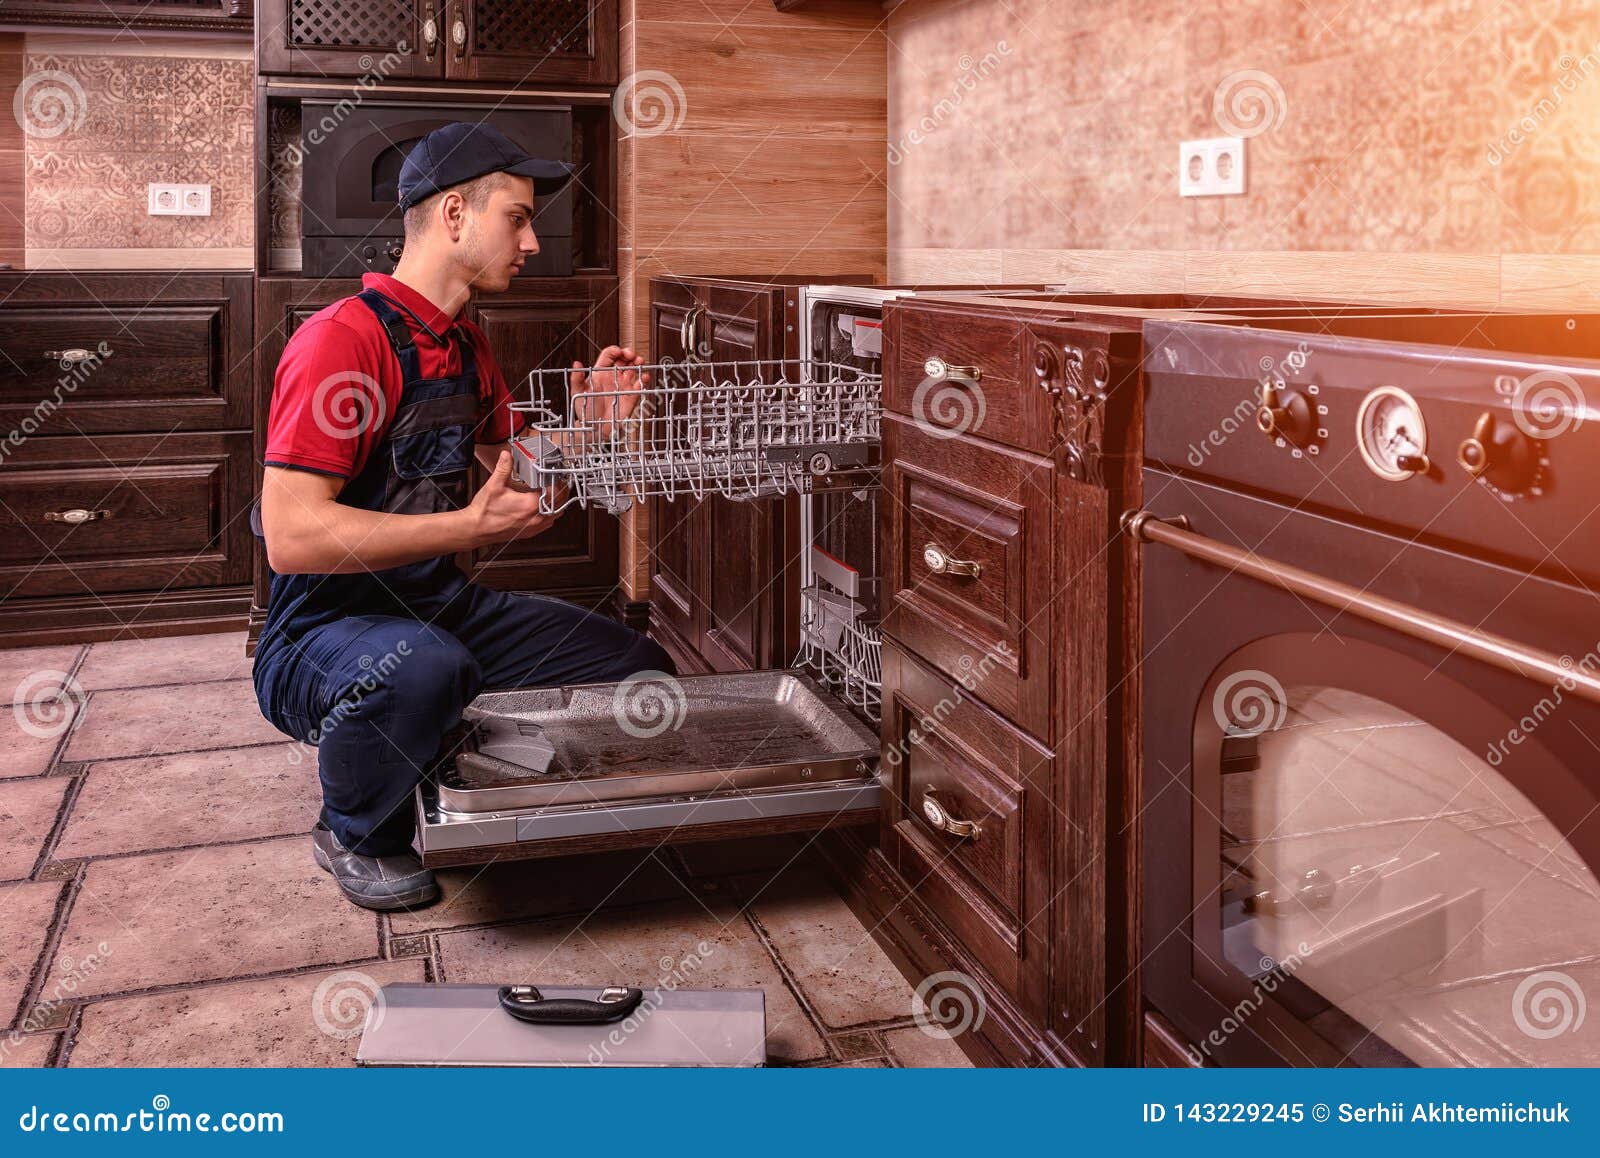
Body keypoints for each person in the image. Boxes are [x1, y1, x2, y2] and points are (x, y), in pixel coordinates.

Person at [252, 122, 674, 911]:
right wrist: (467, 530)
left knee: (640, 673)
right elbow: (292, 537)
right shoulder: (340, 342)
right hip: (321, 630)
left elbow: (508, 457)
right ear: (454, 216)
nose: (532, 242)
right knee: (423, 669)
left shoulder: (463, 343)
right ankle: (353, 829)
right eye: (516, 218)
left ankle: (433, 738)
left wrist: (589, 427)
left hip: (440, 608)